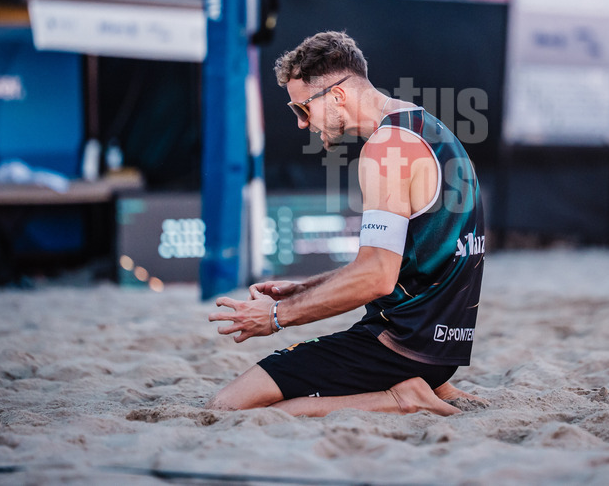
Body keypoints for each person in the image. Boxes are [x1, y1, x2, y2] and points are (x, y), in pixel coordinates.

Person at [207, 31, 486, 416]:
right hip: (440, 346)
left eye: (302, 108)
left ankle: (401, 398)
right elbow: (409, 262)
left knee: (228, 406)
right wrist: (305, 288)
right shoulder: (426, 128)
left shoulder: (387, 149)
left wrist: (275, 316)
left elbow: (376, 277)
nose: (303, 124)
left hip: (399, 346)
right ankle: (436, 387)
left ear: (337, 96)